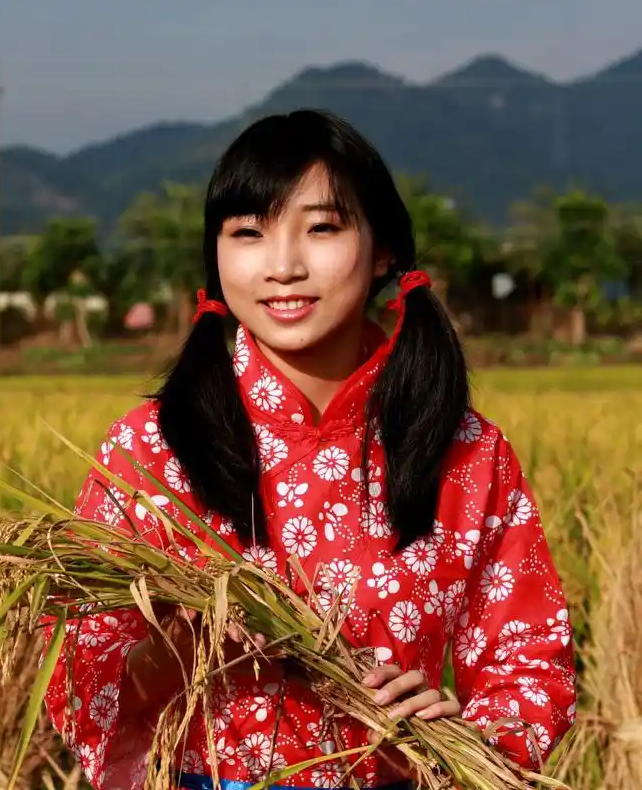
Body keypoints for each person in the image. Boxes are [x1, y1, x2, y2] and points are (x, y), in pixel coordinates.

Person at [41, 109, 576, 790]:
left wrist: (469, 737)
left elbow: (530, 663)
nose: (284, 266)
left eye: (321, 228)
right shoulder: (154, 448)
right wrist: (191, 644)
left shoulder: (465, 452)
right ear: (217, 257)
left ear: (382, 250)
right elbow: (79, 679)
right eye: (249, 234)